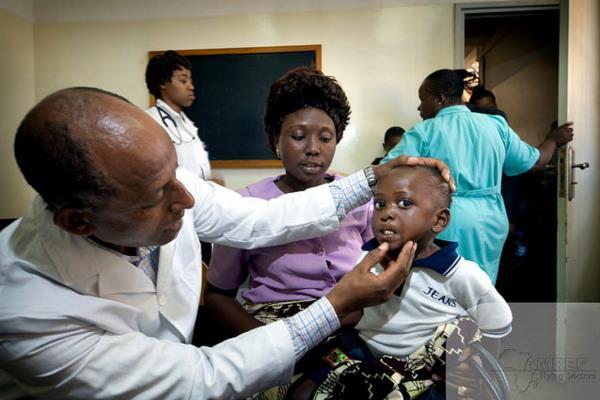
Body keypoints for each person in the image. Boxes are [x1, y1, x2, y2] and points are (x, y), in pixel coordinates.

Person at [0, 87, 455, 399]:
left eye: (175, 175)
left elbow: (261, 218)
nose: (186, 198)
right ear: (79, 221)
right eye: (157, 197)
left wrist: (376, 175)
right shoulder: (26, 314)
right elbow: (200, 379)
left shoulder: (157, 187)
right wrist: (334, 307)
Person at [289, 165, 512, 400]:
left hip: (421, 368)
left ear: (439, 220)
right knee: (303, 392)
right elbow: (354, 311)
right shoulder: (368, 258)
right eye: (380, 204)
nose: (386, 213)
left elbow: (498, 323)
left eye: (404, 203)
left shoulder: (461, 275)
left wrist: (478, 365)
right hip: (361, 348)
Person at [204, 67, 373, 344]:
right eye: (298, 136)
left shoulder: (358, 196)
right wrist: (271, 346)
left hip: (352, 325)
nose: (313, 148)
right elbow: (217, 295)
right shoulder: (245, 203)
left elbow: (378, 269)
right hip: (276, 328)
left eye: (325, 138)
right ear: (275, 140)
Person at [384, 69, 574, 283]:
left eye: (422, 99)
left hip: (446, 219)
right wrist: (553, 140)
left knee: (445, 288)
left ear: (439, 99)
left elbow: (387, 170)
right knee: (482, 286)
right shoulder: (496, 125)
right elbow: (536, 161)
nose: (419, 107)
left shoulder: (425, 130)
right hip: (491, 220)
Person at [145, 50, 223, 185]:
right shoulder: (150, 122)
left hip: (200, 201)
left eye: (190, 80)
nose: (191, 87)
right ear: (163, 82)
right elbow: (156, 177)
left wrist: (210, 184)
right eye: (183, 80)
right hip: (177, 203)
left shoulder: (187, 124)